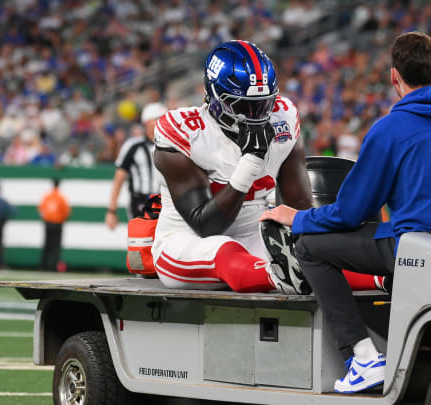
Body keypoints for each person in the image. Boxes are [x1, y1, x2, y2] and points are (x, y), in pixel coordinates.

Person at [261, 32, 431, 393]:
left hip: (420, 248)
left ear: (395, 77)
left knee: (311, 245)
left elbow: (349, 214)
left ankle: (362, 358)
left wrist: (297, 218)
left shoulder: (390, 129)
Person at [150, 40, 315, 294]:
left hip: (254, 236)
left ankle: (382, 279)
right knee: (225, 250)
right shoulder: (186, 131)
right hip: (187, 241)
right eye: (244, 106)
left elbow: (299, 207)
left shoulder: (284, 116)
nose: (256, 115)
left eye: (263, 104)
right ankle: (278, 277)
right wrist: (250, 161)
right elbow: (206, 226)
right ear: (213, 97)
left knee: (311, 254)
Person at [106, 102, 167, 230]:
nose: (162, 122)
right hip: (141, 201)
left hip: (167, 202)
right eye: (157, 118)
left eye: (164, 118)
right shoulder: (133, 146)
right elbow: (119, 178)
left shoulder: (172, 145)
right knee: (141, 243)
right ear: (146, 122)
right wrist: (112, 210)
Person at [38, 179, 71, 270]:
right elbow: (66, 212)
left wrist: (45, 219)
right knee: (56, 246)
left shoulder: (47, 197)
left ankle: (43, 265)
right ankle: (54, 266)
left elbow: (41, 210)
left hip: (48, 223)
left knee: (46, 244)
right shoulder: (61, 197)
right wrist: (62, 219)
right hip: (58, 224)